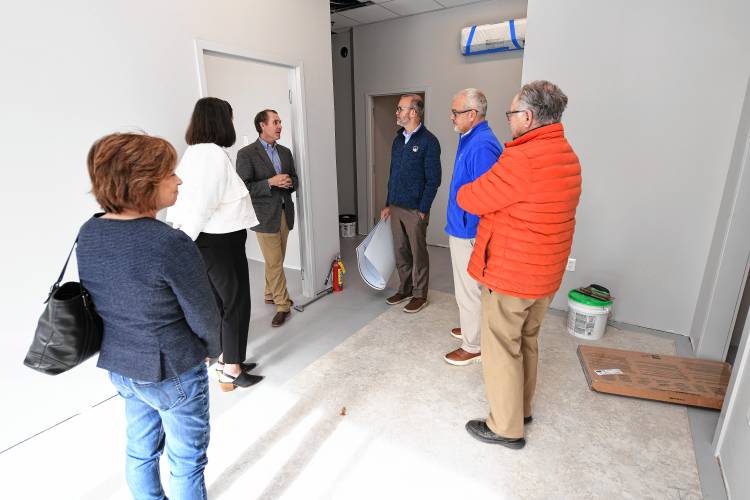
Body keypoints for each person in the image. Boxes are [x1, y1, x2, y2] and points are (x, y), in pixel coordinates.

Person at [77, 132, 221, 499]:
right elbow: (204, 313)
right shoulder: (169, 243)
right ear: (143, 183)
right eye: (170, 173)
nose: (179, 179)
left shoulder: (89, 231)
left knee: (140, 451)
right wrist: (212, 349)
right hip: (173, 370)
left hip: (121, 366)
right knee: (186, 462)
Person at [457, 80, 582, 449]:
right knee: (527, 340)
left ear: (527, 117)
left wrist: (469, 189)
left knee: (500, 348)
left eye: (512, 114)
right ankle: (522, 408)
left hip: (512, 275)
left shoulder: (522, 158)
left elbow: (472, 197)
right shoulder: (567, 155)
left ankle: (506, 427)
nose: (509, 120)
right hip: (545, 276)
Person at [167, 97, 262, 391]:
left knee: (222, 303)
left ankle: (226, 359)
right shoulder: (210, 155)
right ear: (220, 121)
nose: (231, 124)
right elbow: (202, 205)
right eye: (229, 118)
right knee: (235, 303)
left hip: (213, 240)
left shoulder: (197, 152)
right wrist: (183, 247)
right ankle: (231, 369)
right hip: (218, 241)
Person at [443, 88, 502, 366]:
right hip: (461, 225)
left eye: (455, 112)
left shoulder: (482, 145)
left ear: (472, 114)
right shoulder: (468, 138)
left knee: (469, 289)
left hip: (470, 231)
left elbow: (487, 197)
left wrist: (479, 236)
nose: (451, 117)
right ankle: (471, 328)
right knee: (466, 288)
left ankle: (473, 344)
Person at [236, 109, 299, 327]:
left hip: (285, 212)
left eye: (280, 122)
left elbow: (295, 179)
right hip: (263, 216)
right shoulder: (246, 154)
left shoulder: (285, 152)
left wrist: (290, 183)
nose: (280, 125)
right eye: (276, 122)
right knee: (274, 261)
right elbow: (243, 187)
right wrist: (271, 182)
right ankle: (283, 305)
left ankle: (269, 293)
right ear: (262, 125)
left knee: (276, 260)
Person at [380, 94, 441, 313]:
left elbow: (434, 179)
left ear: (413, 112)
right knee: (400, 250)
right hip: (396, 206)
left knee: (418, 252)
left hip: (416, 209)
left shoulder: (429, 141)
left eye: (400, 109)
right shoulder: (398, 140)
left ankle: (419, 294)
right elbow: (393, 174)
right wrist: (388, 203)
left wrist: (423, 209)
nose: (396, 113)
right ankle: (404, 288)